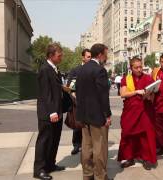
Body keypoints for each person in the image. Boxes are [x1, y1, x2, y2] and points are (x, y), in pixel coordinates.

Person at [76, 43, 112, 180]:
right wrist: (107, 114)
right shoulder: (100, 70)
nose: (106, 56)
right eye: (106, 53)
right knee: (100, 148)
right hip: (97, 116)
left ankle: (87, 175)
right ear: (100, 54)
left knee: (86, 146)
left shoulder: (82, 69)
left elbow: (78, 92)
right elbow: (103, 96)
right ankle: (100, 176)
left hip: (84, 115)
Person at [118, 57, 157, 170]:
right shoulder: (127, 78)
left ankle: (146, 159)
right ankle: (129, 157)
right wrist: (136, 92)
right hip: (130, 111)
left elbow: (153, 94)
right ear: (131, 68)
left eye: (140, 67)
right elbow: (123, 94)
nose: (139, 69)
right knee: (128, 134)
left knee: (145, 135)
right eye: (136, 67)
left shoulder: (148, 78)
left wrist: (149, 96)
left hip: (145, 111)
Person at [34, 43, 66, 180]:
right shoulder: (45, 69)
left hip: (57, 111)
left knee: (54, 140)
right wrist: (52, 112)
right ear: (51, 55)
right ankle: (39, 169)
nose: (61, 57)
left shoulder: (54, 69)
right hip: (48, 113)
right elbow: (45, 93)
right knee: (44, 140)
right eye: (59, 55)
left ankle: (50, 164)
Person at [66, 48, 91, 155]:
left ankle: (88, 144)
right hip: (77, 102)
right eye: (88, 57)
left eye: (91, 57)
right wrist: (74, 95)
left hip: (90, 102)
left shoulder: (95, 69)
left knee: (89, 125)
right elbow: (69, 86)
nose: (90, 59)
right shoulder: (75, 70)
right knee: (77, 125)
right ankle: (76, 145)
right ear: (83, 57)